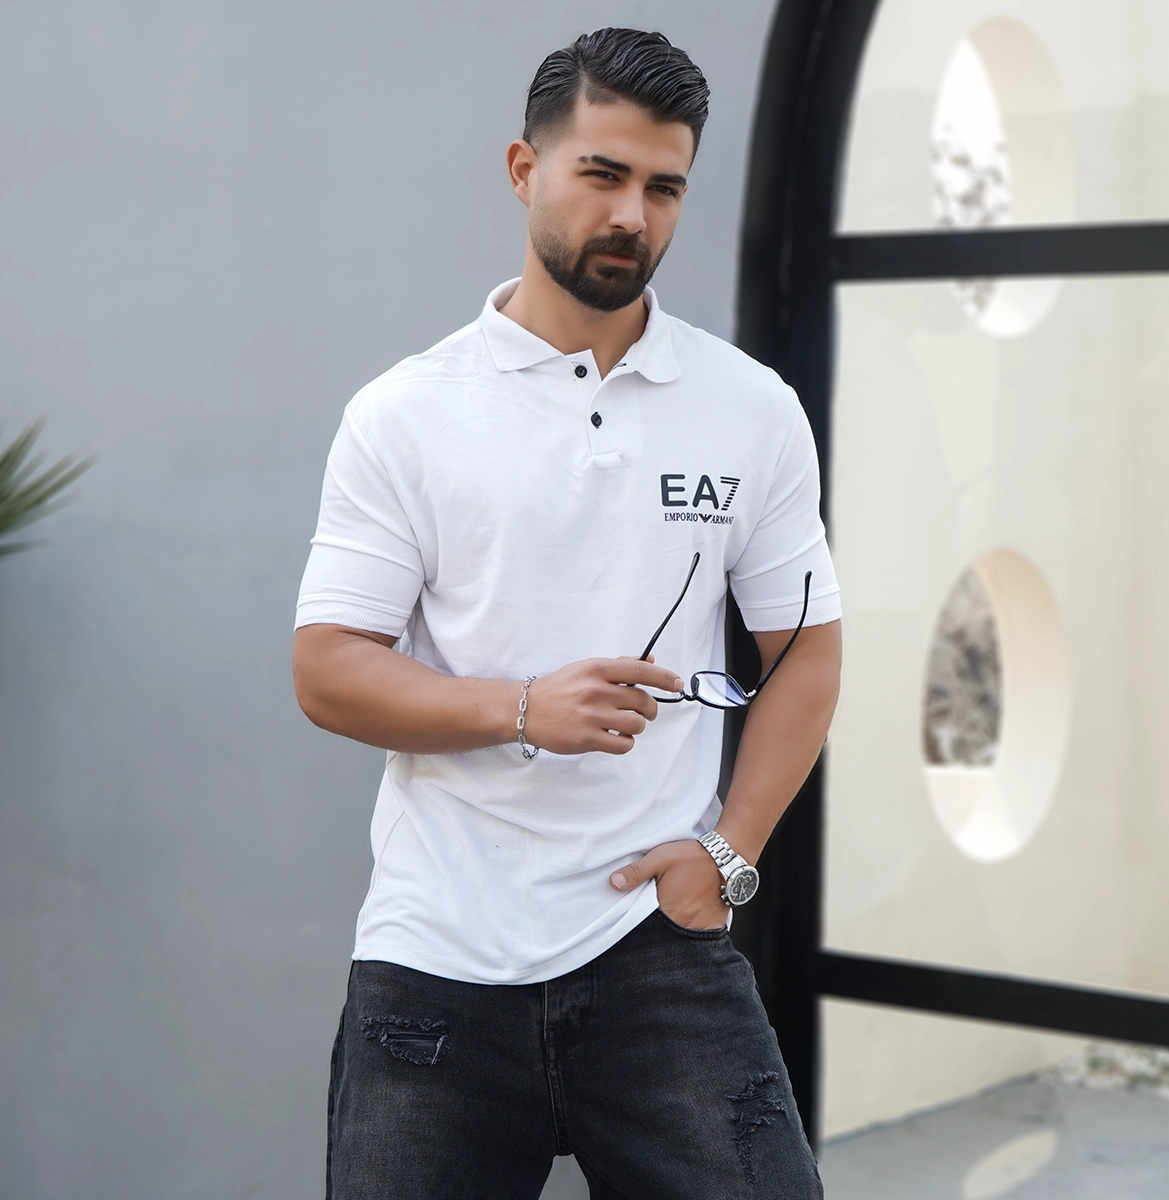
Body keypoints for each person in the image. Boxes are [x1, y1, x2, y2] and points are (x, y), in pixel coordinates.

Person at [293, 26, 841, 1200]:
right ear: (523, 169)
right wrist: (522, 708)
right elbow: (329, 668)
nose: (631, 214)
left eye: (663, 187)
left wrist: (730, 852)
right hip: (437, 963)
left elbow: (806, 652)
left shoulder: (751, 409)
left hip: (660, 954)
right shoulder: (404, 414)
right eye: (601, 174)